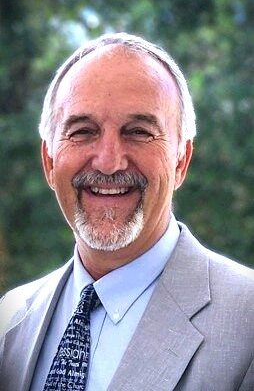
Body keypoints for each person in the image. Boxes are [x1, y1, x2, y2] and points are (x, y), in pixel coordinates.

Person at [0, 33, 253, 391]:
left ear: (181, 160)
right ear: (49, 161)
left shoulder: (247, 323)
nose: (108, 162)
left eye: (138, 132)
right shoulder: (9, 317)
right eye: (83, 131)